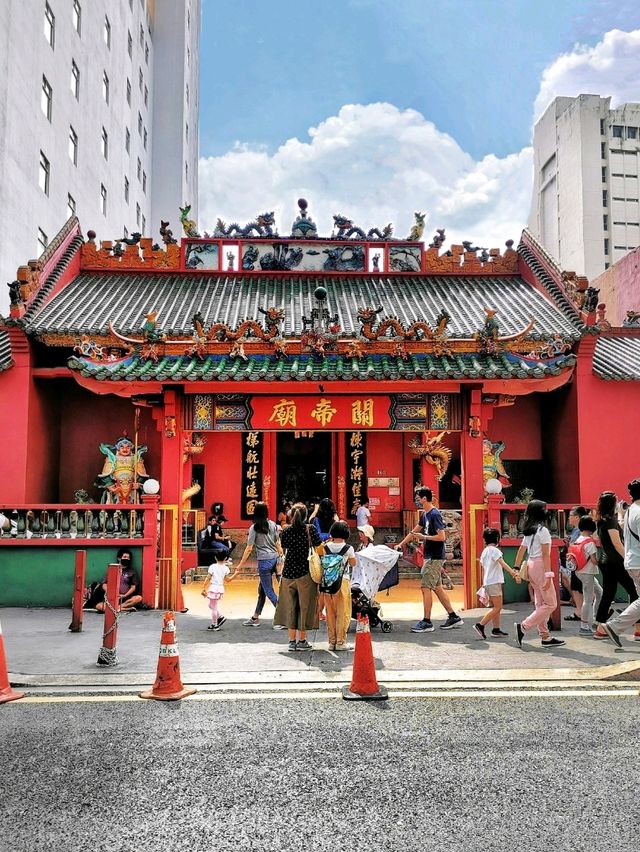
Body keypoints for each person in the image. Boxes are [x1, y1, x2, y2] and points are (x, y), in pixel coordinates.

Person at [395, 487, 463, 632]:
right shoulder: (425, 515)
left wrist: (424, 537)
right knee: (437, 587)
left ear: (424, 498)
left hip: (434, 557)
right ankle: (453, 617)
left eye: (417, 497)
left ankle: (427, 622)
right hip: (431, 556)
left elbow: (442, 537)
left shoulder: (434, 514)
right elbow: (414, 532)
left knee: (425, 587)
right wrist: (401, 544)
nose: (416, 500)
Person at [513, 500, 565, 649]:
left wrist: (516, 568)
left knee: (541, 603)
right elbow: (546, 555)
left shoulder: (529, 532)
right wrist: (549, 575)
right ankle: (524, 626)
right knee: (551, 604)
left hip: (530, 565)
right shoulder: (543, 531)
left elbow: (521, 551)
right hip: (541, 566)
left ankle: (545, 636)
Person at [273, 502, 323, 651]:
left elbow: (284, 547)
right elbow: (319, 546)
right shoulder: (310, 529)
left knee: (290, 607)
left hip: (288, 574)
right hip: (305, 573)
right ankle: (302, 640)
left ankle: (291, 641)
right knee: (304, 606)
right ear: (306, 515)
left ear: (291, 516)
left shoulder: (286, 531)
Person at [594, 491, 640, 639]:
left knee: (608, 594)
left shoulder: (602, 520)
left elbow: (616, 530)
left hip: (606, 562)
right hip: (617, 562)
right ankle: (638, 628)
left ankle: (600, 626)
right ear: (612, 504)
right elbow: (617, 544)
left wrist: (620, 514)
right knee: (634, 593)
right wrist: (626, 557)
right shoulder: (610, 521)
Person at [235, 502, 286, 629]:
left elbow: (249, 548)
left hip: (264, 561)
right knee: (262, 590)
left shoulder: (254, 528)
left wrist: (240, 565)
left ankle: (284, 617)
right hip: (274, 558)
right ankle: (255, 617)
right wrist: (281, 556)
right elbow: (277, 542)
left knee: (269, 591)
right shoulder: (273, 524)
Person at [474, 528, 521, 639]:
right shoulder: (495, 551)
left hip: (488, 582)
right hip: (494, 581)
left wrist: (483, 584)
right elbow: (502, 563)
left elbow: (483, 568)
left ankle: (496, 629)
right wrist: (513, 573)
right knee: (498, 607)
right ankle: (480, 625)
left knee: (496, 607)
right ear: (497, 539)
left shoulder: (485, 551)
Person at [321, 520, 357, 651]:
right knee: (343, 612)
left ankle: (332, 642)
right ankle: (341, 642)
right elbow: (353, 563)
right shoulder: (349, 548)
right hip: (342, 582)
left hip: (328, 583)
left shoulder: (326, 547)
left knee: (330, 612)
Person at [568, 516, 602, 636]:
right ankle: (584, 626)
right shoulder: (590, 542)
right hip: (588, 573)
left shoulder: (577, 540)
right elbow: (594, 560)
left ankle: (595, 620)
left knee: (599, 593)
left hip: (578, 571)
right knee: (587, 600)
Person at [95, 547, 142, 612]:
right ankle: (123, 609)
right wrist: (111, 593)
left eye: (128, 558)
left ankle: (119, 608)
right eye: (125, 557)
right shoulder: (112, 570)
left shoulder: (132, 572)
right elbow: (104, 584)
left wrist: (125, 595)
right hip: (112, 597)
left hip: (125, 598)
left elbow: (133, 587)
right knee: (99, 606)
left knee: (138, 598)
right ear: (119, 558)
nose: (127, 559)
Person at [562, 505, 588, 622]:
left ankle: (586, 612)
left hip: (581, 564)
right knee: (576, 588)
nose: (569, 518)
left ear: (577, 517)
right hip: (574, 563)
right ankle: (579, 612)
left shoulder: (583, 530)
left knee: (585, 588)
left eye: (571, 516)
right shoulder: (575, 530)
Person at [200, 550, 237, 630]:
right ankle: (220, 617)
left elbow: (208, 578)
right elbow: (228, 580)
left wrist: (203, 587)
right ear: (226, 558)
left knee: (213, 607)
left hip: (213, 588)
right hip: (219, 588)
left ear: (215, 558)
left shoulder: (212, 567)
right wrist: (235, 574)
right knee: (212, 605)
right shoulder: (226, 569)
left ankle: (215, 624)